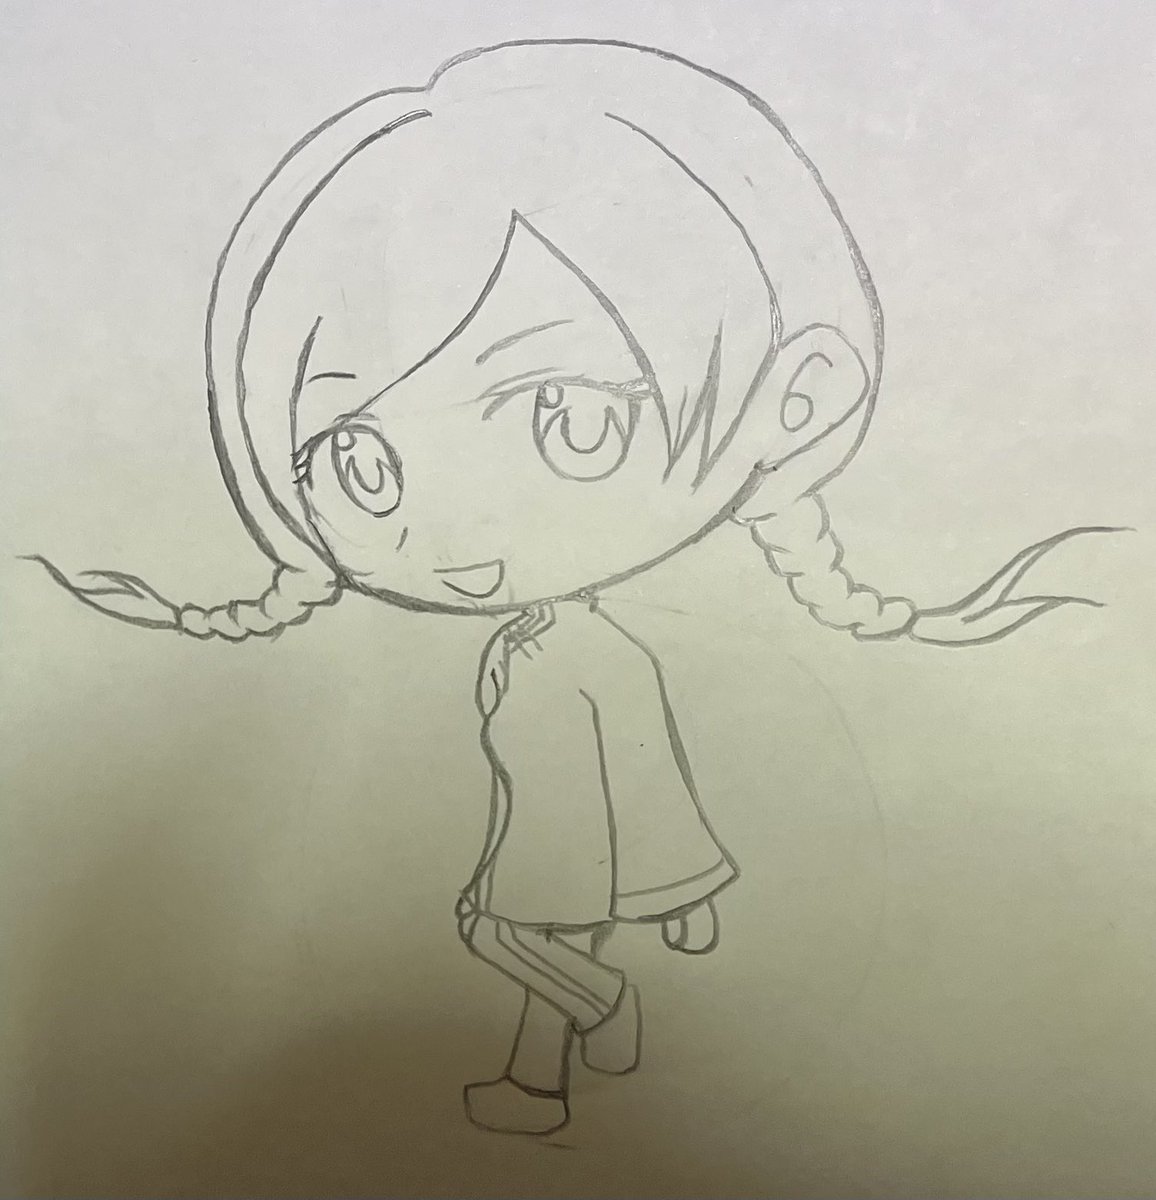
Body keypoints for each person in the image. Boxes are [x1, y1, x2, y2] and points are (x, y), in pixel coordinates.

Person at [33, 39, 1115, 1136]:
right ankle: (538, 1082)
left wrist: (636, 887)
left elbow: (625, 770)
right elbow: (649, 775)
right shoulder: (577, 642)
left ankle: (597, 1013)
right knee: (547, 948)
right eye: (360, 461)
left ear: (793, 399)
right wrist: (679, 892)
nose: (464, 538)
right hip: (575, 857)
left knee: (497, 937)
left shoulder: (574, 653)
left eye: (578, 420)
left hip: (552, 856)